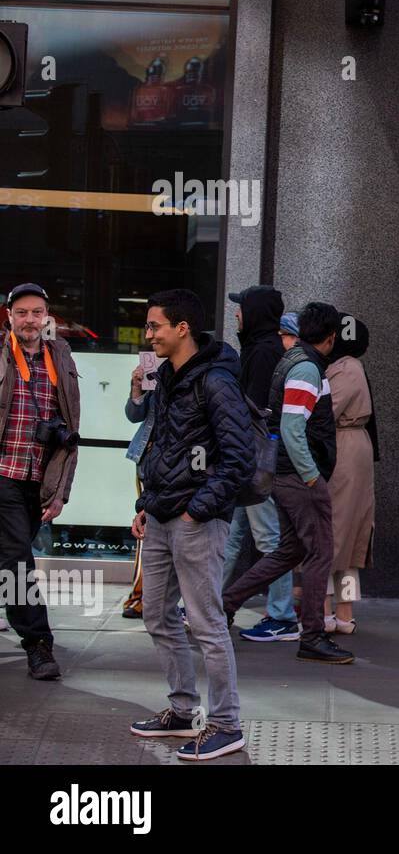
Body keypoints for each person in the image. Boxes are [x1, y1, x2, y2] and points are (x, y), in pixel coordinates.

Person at [128, 289, 253, 761]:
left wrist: (198, 509)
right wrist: (147, 502)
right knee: (157, 614)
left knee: (206, 623)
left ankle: (225, 723)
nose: (149, 334)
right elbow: (161, 446)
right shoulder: (169, 376)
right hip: (161, 515)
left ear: (183, 328)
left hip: (196, 520)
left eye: (155, 325)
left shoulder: (216, 381)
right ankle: (183, 710)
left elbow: (238, 458)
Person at [223, 302, 354, 665]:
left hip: (288, 474)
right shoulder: (307, 369)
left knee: (289, 551)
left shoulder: (297, 360)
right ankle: (312, 636)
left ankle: (225, 604)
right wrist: (312, 478)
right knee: (320, 554)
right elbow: (293, 429)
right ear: (330, 337)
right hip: (298, 477)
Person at [0, 283, 80, 680]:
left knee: (8, 556)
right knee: (16, 561)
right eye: (22, 312)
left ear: (46, 316)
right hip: (4, 474)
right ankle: (37, 643)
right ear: (10, 316)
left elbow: (71, 431)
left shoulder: (60, 355)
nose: (29, 319)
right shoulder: (2, 356)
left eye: (36, 312)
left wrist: (61, 490)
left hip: (39, 478)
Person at [222, 286, 297, 642]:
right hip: (248, 458)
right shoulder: (258, 347)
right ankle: (210, 605)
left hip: (254, 460)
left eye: (241, 308)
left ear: (255, 313)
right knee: (231, 536)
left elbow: (253, 408)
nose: (236, 313)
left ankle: (282, 615)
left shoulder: (263, 351)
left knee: (268, 538)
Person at [322, 313, 379, 635]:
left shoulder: (343, 369)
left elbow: (327, 411)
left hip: (342, 449)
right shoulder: (354, 366)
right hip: (355, 448)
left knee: (335, 535)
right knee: (350, 538)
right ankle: (343, 614)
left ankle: (326, 612)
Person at [122, 359, 159, 619]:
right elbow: (135, 415)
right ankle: (140, 596)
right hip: (151, 461)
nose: (152, 337)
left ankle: (148, 597)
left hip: (184, 465)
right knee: (146, 529)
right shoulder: (157, 369)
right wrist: (137, 388)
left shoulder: (198, 370)